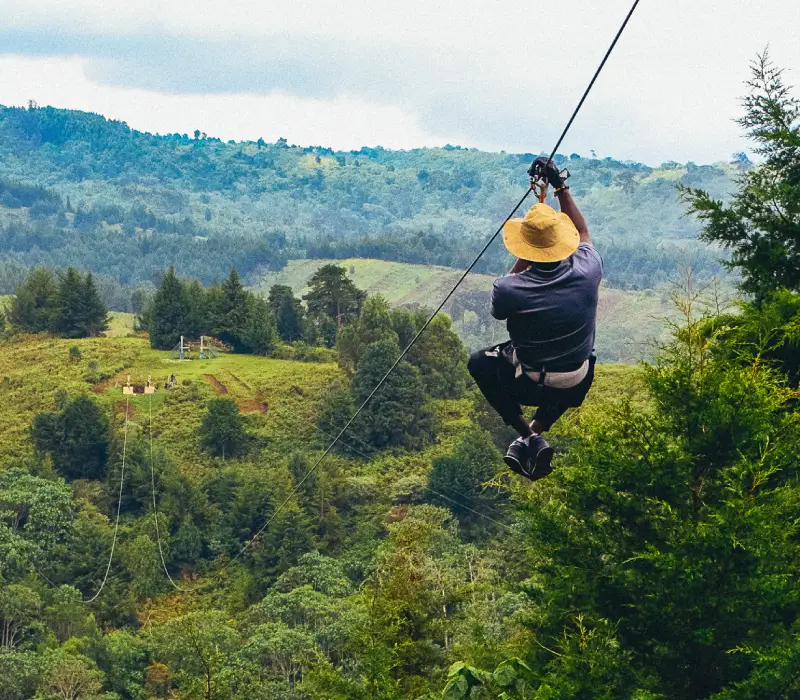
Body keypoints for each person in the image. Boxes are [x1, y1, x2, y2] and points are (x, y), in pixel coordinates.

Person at [468, 157, 602, 480]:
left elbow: (498, 306)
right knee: (580, 365)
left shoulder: (510, 289)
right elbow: (583, 231)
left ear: (526, 248)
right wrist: (559, 186)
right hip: (576, 380)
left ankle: (526, 434)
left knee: (479, 362)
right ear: (561, 241)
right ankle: (535, 432)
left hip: (528, 383)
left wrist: (526, 254)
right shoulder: (588, 269)